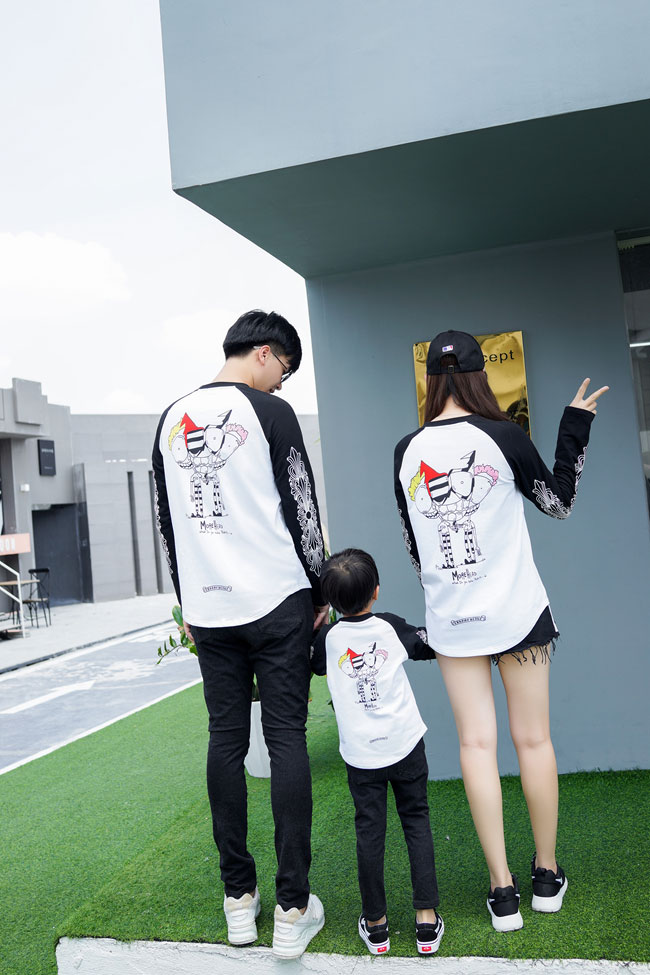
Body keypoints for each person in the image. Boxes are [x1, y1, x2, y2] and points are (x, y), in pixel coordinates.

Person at [394, 330, 608, 932]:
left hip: (453, 621)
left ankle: (502, 890)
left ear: (431, 380)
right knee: (533, 741)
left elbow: (416, 547)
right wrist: (575, 425)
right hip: (518, 613)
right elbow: (559, 502)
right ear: (479, 376)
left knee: (476, 747)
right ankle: (546, 875)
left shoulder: (406, 450)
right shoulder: (504, 435)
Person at [152, 310, 329, 958]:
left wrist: (187, 601)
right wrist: (322, 590)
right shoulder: (270, 413)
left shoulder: (170, 418)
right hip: (278, 600)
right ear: (264, 352)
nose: (281, 383)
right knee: (285, 740)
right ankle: (292, 906)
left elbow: (167, 524)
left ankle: (238, 901)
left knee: (225, 740)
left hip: (210, 608)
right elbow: (302, 508)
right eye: (284, 370)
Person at [311, 548, 444, 956]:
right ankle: (426, 921)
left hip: (362, 757)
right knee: (416, 820)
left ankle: (377, 925)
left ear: (330, 600)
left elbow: (316, 665)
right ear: (376, 592)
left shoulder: (328, 639)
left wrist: (320, 625)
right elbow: (428, 645)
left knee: (369, 833)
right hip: (405, 745)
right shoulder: (390, 627)